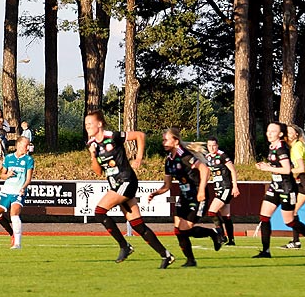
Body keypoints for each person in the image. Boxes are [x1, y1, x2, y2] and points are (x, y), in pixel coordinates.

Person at [83, 110, 172, 267]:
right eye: (86, 124)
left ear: (100, 123)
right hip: (115, 184)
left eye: (90, 123)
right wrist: (92, 156)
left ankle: (125, 246)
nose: (87, 126)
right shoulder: (92, 144)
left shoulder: (113, 136)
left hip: (126, 180)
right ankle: (166, 255)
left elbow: (140, 135)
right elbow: (98, 172)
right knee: (138, 225)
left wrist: (139, 157)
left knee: (99, 212)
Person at [253, 122, 305, 257]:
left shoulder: (281, 148)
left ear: (280, 134)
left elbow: (287, 170)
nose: (269, 133)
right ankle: (266, 251)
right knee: (264, 217)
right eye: (268, 131)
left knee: (289, 221)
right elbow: (278, 165)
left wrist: (268, 168)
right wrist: (267, 165)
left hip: (287, 188)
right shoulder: (272, 146)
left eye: (273, 131)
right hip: (275, 186)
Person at [153, 128, 211, 264]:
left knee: (185, 228)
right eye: (163, 140)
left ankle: (214, 233)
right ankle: (190, 260)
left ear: (176, 141)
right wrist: (156, 193)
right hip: (184, 196)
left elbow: (205, 169)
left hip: (196, 195)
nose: (163, 142)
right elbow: (167, 186)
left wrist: (202, 190)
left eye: (166, 139)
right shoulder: (168, 160)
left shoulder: (184, 156)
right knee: (178, 229)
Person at [0, 140, 35, 250]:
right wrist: (8, 174)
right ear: (19, 145)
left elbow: (28, 178)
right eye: (26, 145)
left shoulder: (28, 159)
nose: (28, 147)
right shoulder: (9, 158)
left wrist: (23, 188)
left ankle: (17, 244)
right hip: (6, 191)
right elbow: (2, 176)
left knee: (14, 214)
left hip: (18, 191)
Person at [201, 136, 236, 245]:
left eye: (214, 145)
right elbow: (207, 173)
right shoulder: (207, 157)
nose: (211, 148)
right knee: (226, 216)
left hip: (226, 187)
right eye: (209, 146)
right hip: (218, 188)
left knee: (212, 212)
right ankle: (231, 240)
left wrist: (235, 186)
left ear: (217, 145)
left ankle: (221, 236)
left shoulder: (222, 155)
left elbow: (233, 170)